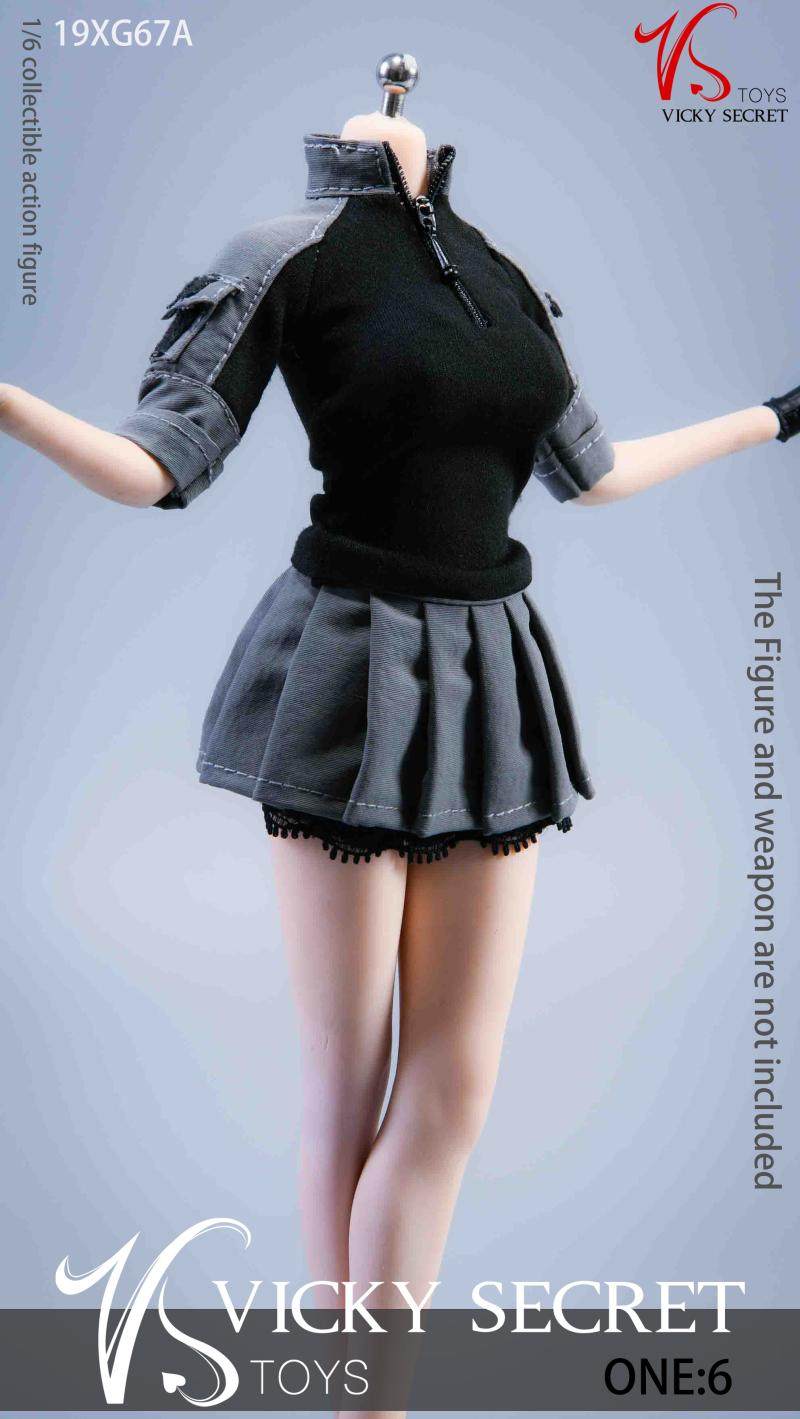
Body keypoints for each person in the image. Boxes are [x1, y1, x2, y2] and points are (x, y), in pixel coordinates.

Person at [2, 113, 797, 1419]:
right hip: (348, 663)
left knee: (456, 1084)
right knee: (348, 1081)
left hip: (491, 673)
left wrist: (776, 417)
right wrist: (9, 402)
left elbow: (593, 472)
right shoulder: (288, 254)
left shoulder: (495, 267)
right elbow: (158, 464)